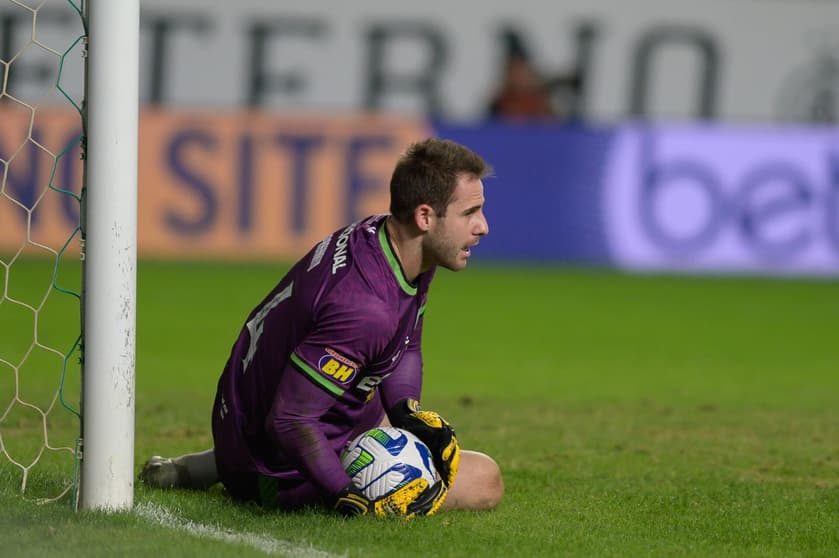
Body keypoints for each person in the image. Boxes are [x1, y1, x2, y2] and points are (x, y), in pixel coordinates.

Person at [140, 138, 504, 518]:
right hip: (273, 460)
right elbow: (290, 420)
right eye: (471, 213)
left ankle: (207, 466)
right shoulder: (366, 307)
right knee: (484, 480)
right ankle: (238, 471)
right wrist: (345, 494)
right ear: (425, 217)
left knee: (381, 411)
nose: (483, 227)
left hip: (253, 418)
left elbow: (406, 343)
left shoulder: (388, 239)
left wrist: (406, 411)